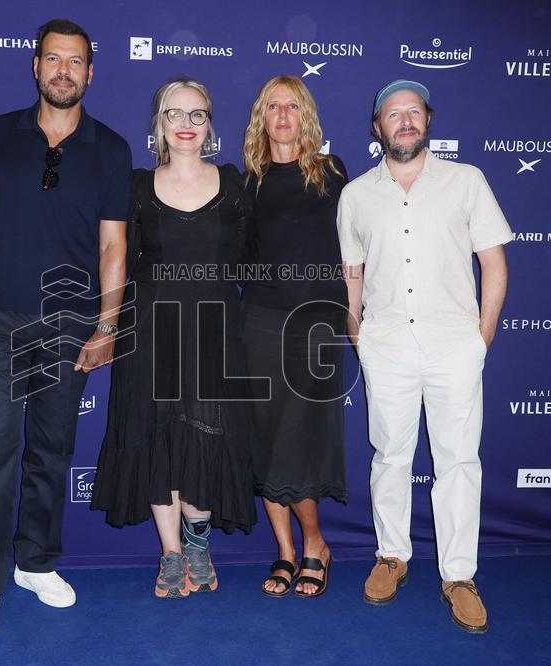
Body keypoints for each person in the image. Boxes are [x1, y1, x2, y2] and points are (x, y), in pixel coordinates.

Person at [0, 18, 132, 645]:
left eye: (76, 61)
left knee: (53, 452)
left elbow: (114, 246)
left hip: (69, 322)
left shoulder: (111, 149)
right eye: (53, 60)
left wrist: (108, 324)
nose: (64, 71)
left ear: (91, 72)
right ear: (35, 67)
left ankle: (35, 562)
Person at [338, 80, 511, 634]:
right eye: (394, 113)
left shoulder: (467, 182)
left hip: (454, 346)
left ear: (428, 120)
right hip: (385, 345)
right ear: (377, 127)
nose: (405, 121)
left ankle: (459, 575)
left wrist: (480, 337)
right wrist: (357, 330)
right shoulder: (357, 195)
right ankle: (392, 556)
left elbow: (494, 263)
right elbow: (352, 272)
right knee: (389, 455)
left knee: (459, 461)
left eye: (414, 111)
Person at [91, 77, 257, 599]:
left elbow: (251, 262)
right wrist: (107, 325)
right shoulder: (137, 187)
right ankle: (170, 552)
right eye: (174, 114)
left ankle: (198, 544)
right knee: (158, 437)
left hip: (215, 332)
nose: (185, 125)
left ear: (210, 125)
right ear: (158, 123)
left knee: (206, 436)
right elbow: (117, 258)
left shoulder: (235, 184)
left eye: (197, 115)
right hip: (151, 333)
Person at [240, 75, 350, 598]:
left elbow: (354, 251)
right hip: (261, 320)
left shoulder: (332, 173)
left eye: (292, 106)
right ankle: (286, 552)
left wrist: (356, 314)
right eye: (273, 107)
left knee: (299, 438)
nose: (282, 116)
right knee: (266, 434)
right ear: (261, 117)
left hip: (317, 325)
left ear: (306, 116)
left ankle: (315, 544)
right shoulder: (247, 182)